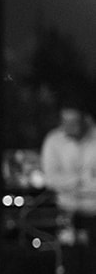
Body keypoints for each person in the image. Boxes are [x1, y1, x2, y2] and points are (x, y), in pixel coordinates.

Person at [40, 101, 96, 239]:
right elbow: (50, 178)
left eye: (74, 121)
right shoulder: (53, 140)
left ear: (85, 119)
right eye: (65, 121)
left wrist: (68, 183)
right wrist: (82, 180)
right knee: (69, 254)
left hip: (94, 212)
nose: (69, 126)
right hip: (65, 211)